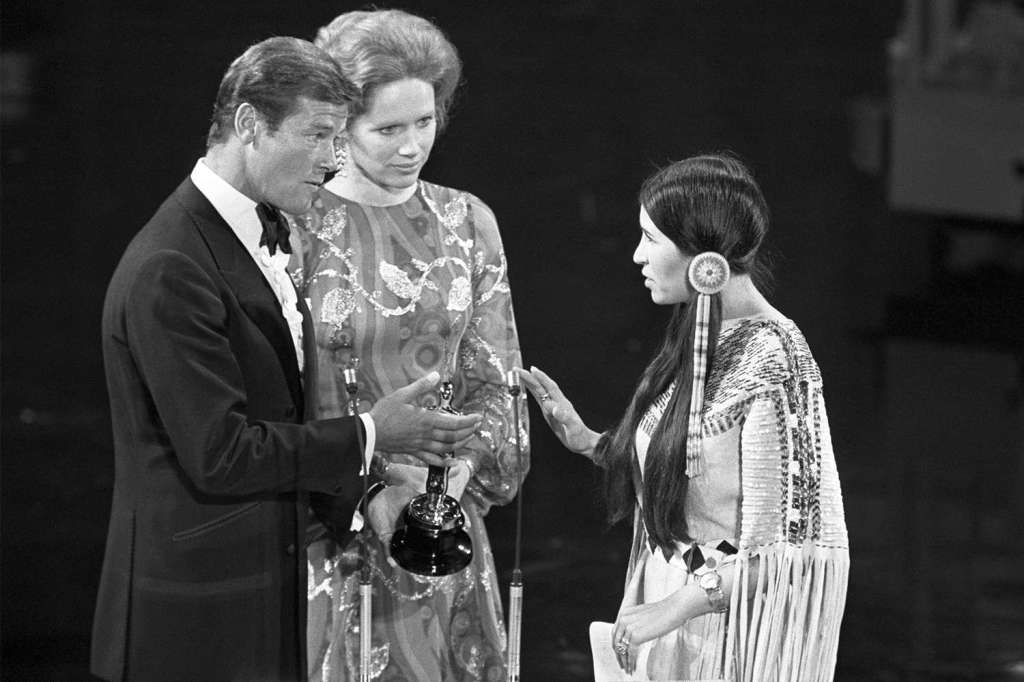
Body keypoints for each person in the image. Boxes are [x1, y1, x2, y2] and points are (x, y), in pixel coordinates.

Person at [91, 37, 482, 682]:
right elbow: (221, 454)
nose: (332, 159)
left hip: (256, 595)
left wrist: (371, 491)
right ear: (250, 124)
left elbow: (278, 418)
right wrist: (374, 432)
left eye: (339, 137)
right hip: (192, 614)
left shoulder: (251, 236)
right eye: (319, 135)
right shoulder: (172, 264)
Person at [518, 154, 849, 681]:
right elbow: (692, 470)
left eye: (650, 238)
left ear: (702, 255)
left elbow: (788, 549)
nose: (637, 255)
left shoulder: (776, 359)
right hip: (671, 611)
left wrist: (673, 608)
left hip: (723, 632)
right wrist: (590, 442)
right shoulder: (699, 333)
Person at [290, 9, 529, 681]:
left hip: (442, 533)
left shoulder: (466, 220)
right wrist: (369, 487)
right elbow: (280, 399)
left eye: (424, 122)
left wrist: (458, 477)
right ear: (341, 125)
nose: (411, 146)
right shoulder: (298, 226)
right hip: (333, 533)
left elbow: (497, 378)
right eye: (388, 129)